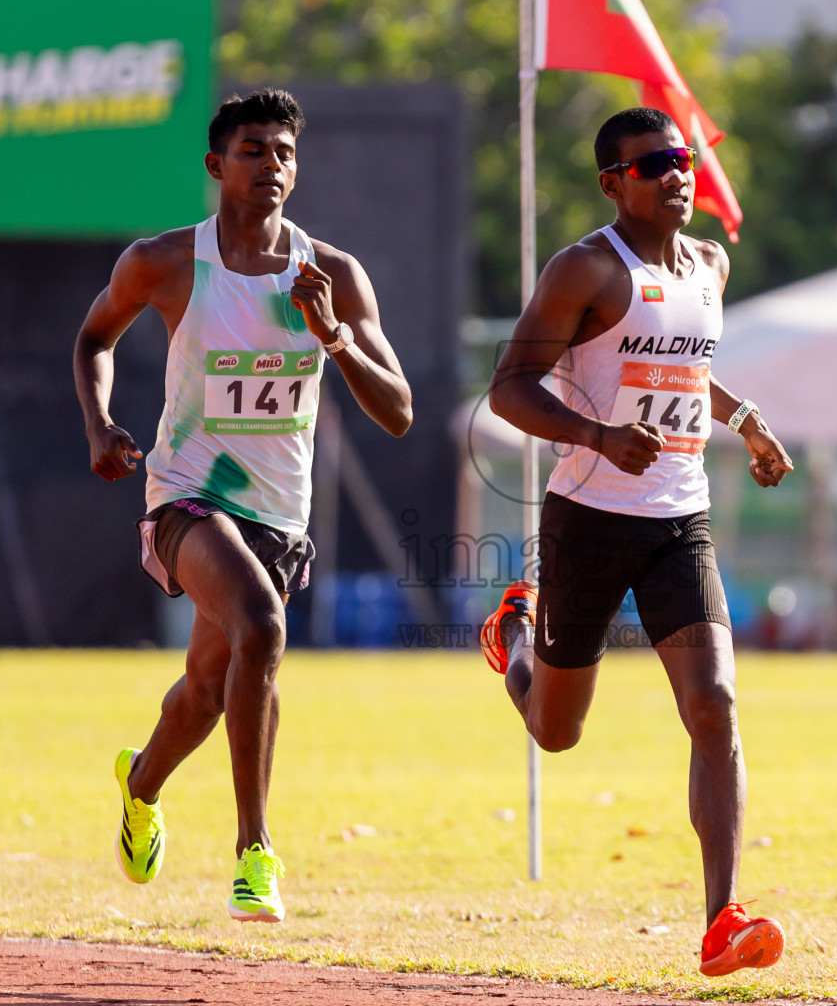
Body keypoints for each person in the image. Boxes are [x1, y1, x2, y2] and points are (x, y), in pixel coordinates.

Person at [73, 88, 412, 922]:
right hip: (187, 495)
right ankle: (255, 852)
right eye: (254, 150)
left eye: (285, 153)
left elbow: (399, 410)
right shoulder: (167, 262)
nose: (272, 165)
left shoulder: (329, 273)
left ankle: (141, 780)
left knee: (208, 686)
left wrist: (331, 335)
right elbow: (93, 339)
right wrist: (101, 426)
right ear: (215, 165)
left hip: (278, 516)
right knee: (261, 625)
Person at [480, 107, 793, 977]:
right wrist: (596, 436)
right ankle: (512, 641)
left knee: (716, 704)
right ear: (614, 183)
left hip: (678, 522)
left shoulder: (709, 264)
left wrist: (746, 421)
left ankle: (723, 918)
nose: (676, 175)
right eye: (654, 164)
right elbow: (509, 388)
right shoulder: (585, 268)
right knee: (555, 732)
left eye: (682, 159)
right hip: (587, 520)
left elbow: (686, 365)